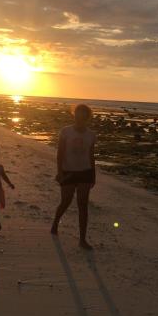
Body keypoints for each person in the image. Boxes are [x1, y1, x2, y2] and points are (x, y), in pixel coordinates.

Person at [51, 104, 96, 250]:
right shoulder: (65, 131)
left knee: (83, 205)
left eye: (83, 115)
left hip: (85, 172)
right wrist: (59, 172)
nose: (80, 117)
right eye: (78, 114)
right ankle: (55, 223)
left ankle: (82, 239)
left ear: (87, 117)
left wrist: (93, 175)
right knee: (65, 201)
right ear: (74, 115)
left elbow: (91, 155)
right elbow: (60, 153)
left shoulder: (91, 135)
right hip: (68, 171)